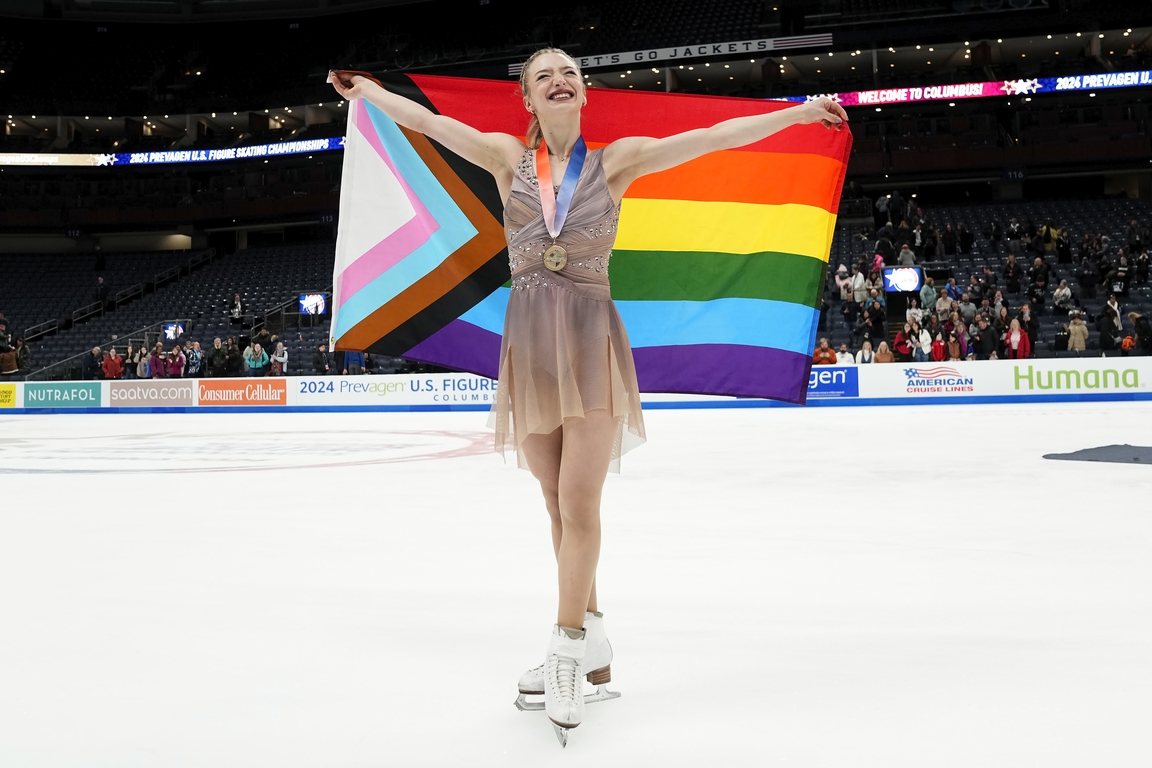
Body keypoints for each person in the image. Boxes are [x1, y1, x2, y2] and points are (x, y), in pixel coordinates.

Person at [330, 55, 849, 739]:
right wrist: (367, 92)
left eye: (569, 71)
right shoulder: (503, 155)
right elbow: (426, 122)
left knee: (579, 499)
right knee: (552, 499)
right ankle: (592, 638)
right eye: (544, 73)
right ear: (527, 96)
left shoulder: (618, 161)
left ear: (583, 91)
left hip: (590, 337)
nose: (559, 78)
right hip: (530, 344)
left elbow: (713, 138)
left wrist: (799, 113)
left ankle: (567, 648)